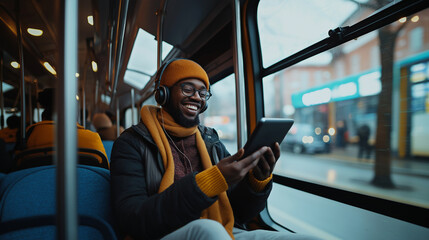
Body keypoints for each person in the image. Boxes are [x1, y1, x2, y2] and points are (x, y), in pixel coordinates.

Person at [110, 59, 320, 240]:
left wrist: (256, 181)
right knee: (208, 230)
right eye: (187, 89)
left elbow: (238, 214)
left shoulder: (210, 141)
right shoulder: (131, 143)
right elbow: (133, 220)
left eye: (203, 92)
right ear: (163, 94)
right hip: (162, 233)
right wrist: (209, 182)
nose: (197, 97)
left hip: (219, 227)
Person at [16, 88, 108, 169]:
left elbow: (19, 166)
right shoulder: (92, 137)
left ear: (44, 115)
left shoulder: (29, 135)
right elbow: (104, 170)